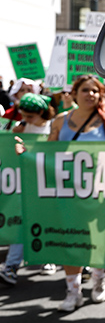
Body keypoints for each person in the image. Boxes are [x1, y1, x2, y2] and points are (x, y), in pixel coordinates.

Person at [48, 75, 105, 312]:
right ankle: (73, 292)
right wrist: (25, 152)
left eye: (95, 90)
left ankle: (98, 280)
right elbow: (46, 153)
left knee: (96, 240)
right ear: (74, 93)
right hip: (68, 194)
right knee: (70, 240)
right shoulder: (60, 121)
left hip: (101, 195)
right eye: (85, 90)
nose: (90, 94)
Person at [0, 93, 56, 285]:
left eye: (30, 116)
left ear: (41, 112)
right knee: (23, 223)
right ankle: (11, 267)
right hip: (26, 182)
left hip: (48, 182)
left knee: (47, 221)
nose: (26, 119)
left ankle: (48, 259)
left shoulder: (53, 128)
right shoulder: (22, 127)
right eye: (23, 115)